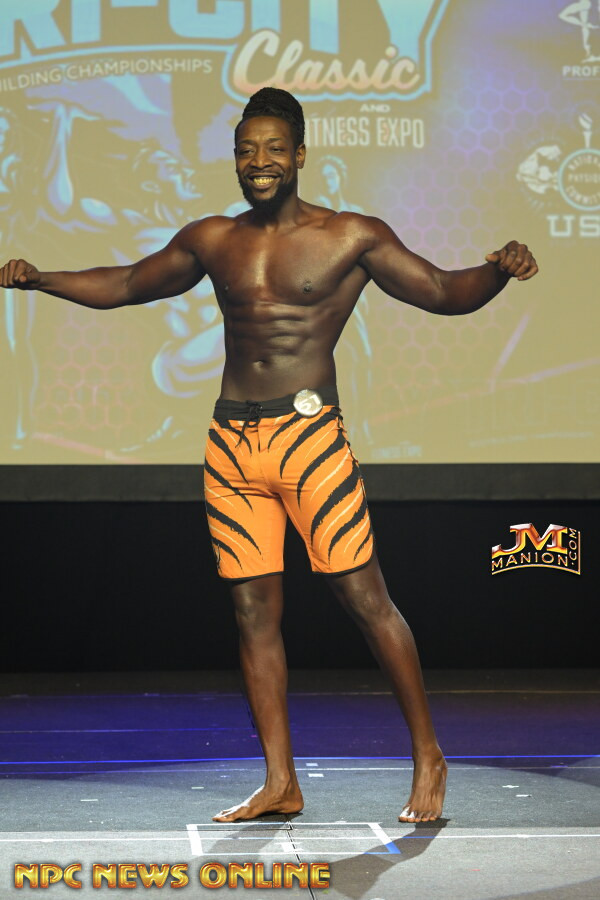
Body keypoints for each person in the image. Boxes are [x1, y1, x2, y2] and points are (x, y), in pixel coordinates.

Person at [0, 87, 539, 824]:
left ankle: (428, 756)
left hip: (309, 441)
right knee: (253, 613)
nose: (259, 161)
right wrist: (41, 280)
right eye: (246, 150)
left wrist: (498, 270)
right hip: (231, 446)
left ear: (300, 155)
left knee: (365, 600)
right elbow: (127, 283)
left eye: (274, 148)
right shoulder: (213, 238)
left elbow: (445, 291)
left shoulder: (351, 235)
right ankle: (280, 782)